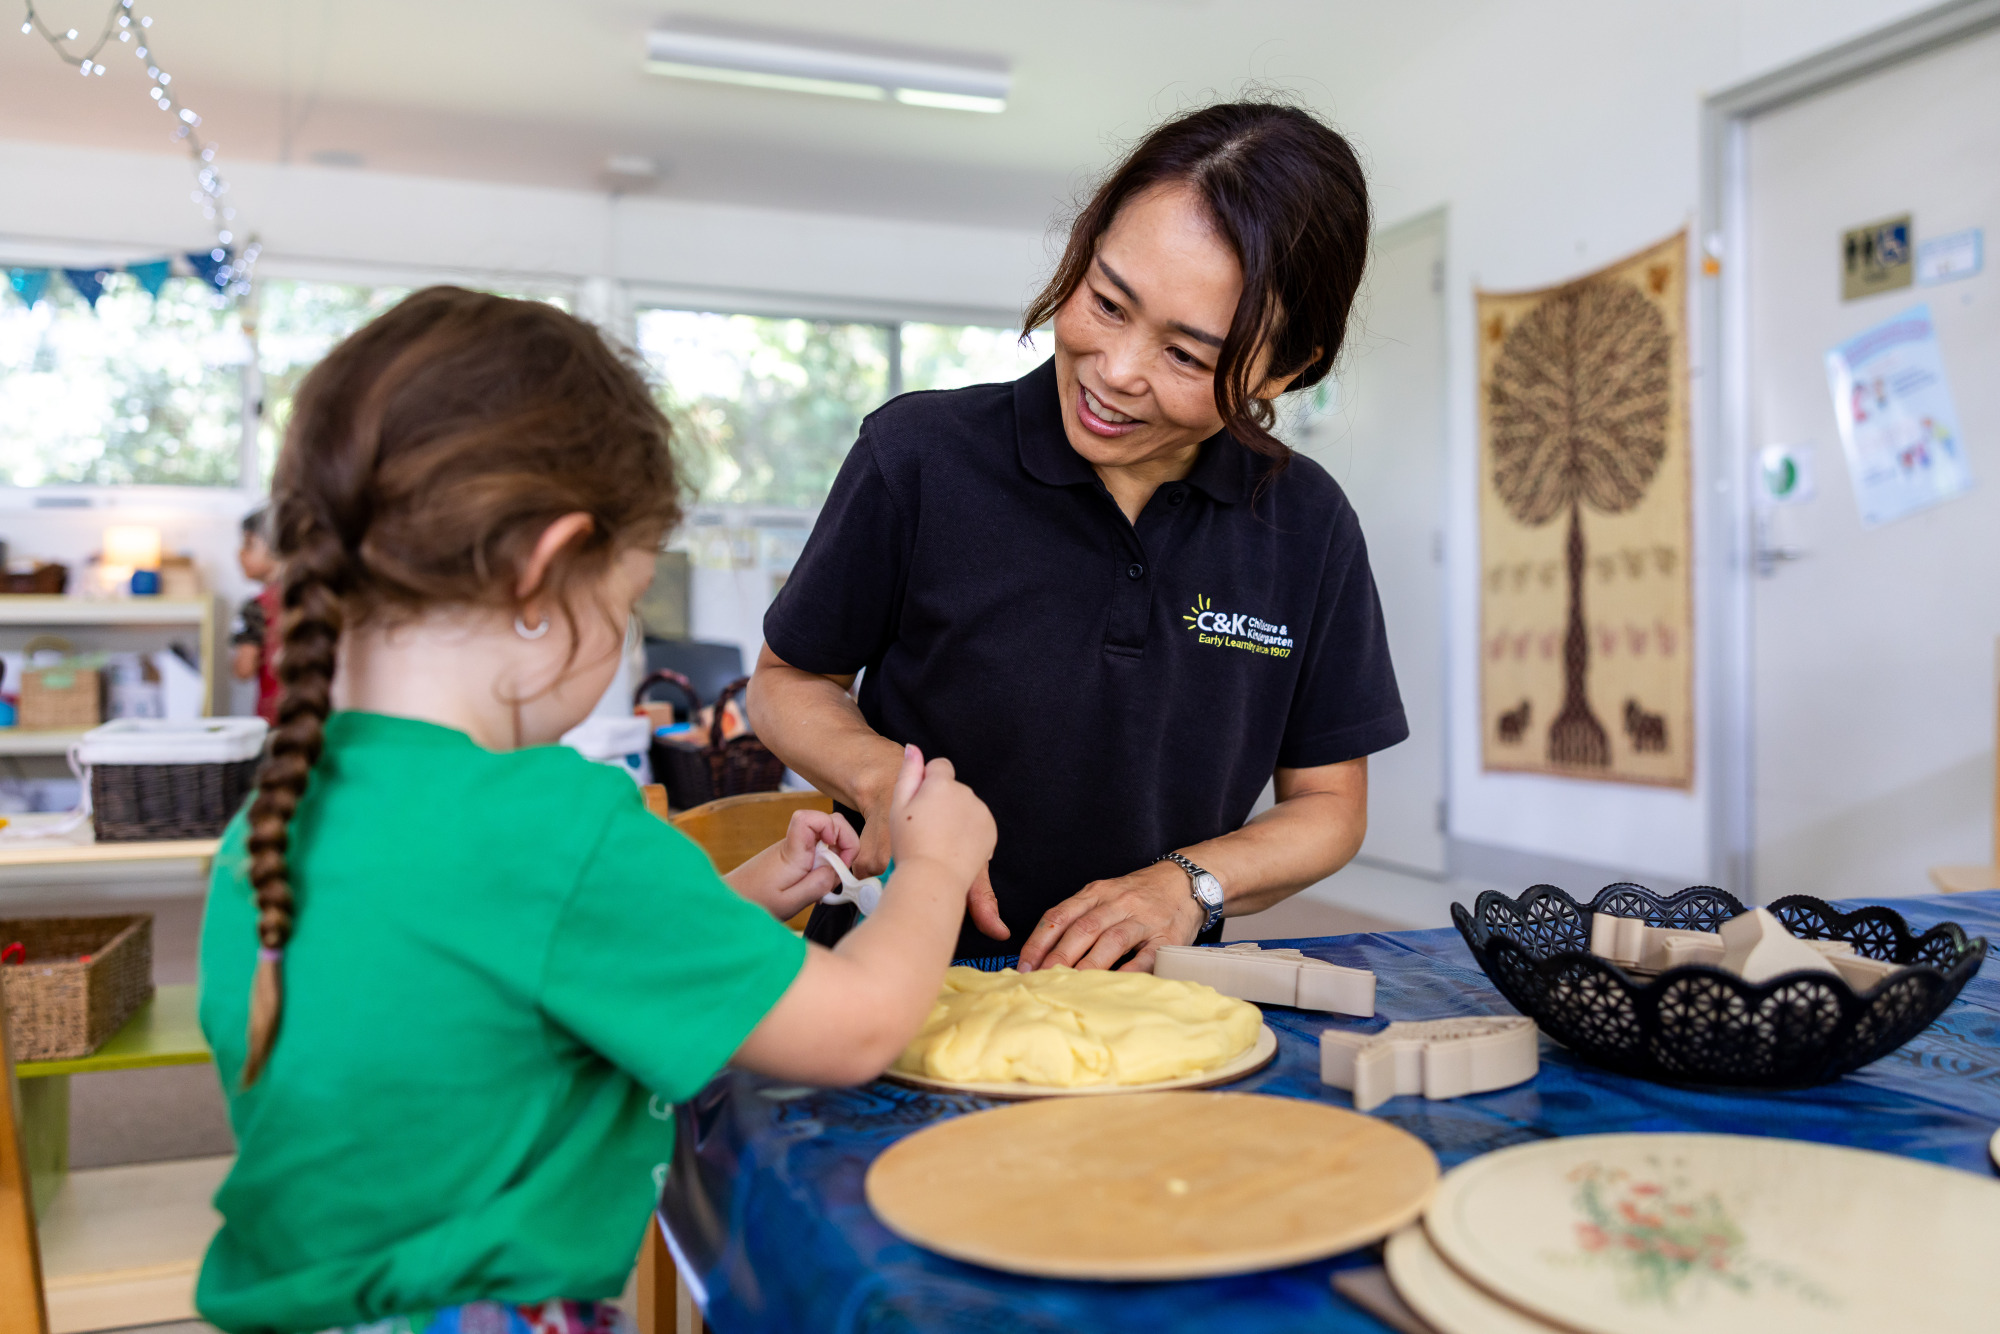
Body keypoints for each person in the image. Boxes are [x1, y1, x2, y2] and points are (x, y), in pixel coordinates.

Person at [196, 288, 994, 1334]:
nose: (623, 635)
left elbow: (509, 978)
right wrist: (935, 856)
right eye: (622, 606)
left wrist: (744, 896)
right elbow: (856, 1030)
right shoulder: (551, 821)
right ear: (542, 570)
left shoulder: (279, 809)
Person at [751, 101, 1406, 972]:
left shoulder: (1307, 524)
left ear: (1284, 371)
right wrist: (891, 785)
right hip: (888, 981)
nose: (1117, 371)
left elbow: (1329, 804)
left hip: (1158, 997)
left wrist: (1185, 886)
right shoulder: (918, 457)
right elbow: (790, 682)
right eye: (1106, 301)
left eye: (1187, 356)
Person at [229, 507, 281, 723]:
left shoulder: (256, 607)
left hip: (273, 721)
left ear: (277, 548)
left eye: (249, 545)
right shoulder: (318, 598)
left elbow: (244, 669)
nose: (239, 553)